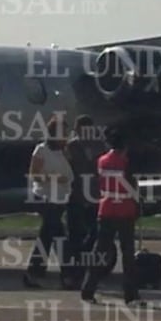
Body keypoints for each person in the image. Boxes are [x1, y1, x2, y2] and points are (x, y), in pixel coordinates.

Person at [81, 127, 138, 303]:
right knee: (128, 253)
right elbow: (132, 186)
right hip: (124, 209)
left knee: (99, 251)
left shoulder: (102, 161)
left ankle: (88, 289)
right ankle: (130, 293)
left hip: (106, 208)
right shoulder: (126, 162)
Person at [24, 114, 74, 289]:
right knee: (56, 236)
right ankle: (67, 275)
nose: (65, 137)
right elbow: (34, 174)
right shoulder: (42, 150)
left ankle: (34, 273)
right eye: (62, 133)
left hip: (60, 199)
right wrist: (55, 178)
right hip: (45, 197)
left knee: (49, 236)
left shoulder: (64, 151)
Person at [65, 115, 105, 285]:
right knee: (74, 235)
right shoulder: (70, 147)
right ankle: (74, 273)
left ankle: (86, 269)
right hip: (75, 197)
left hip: (95, 196)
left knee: (95, 234)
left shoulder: (100, 146)